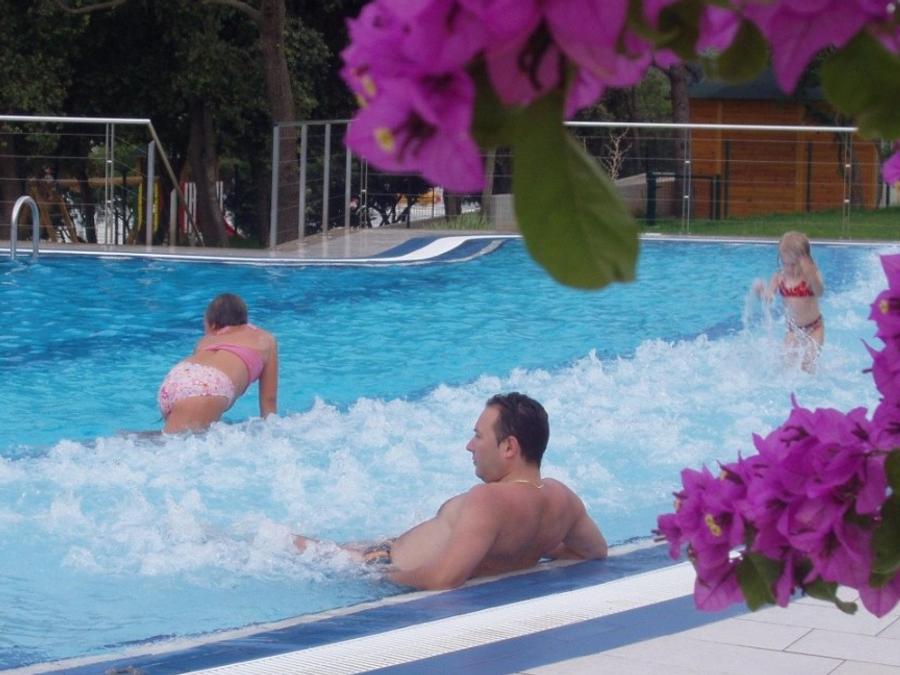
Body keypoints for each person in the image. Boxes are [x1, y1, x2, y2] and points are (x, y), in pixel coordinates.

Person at [293, 392, 608, 590]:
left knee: (289, 543)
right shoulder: (562, 498)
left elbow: (443, 578)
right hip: (388, 552)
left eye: (478, 436)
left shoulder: (488, 499)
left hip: (381, 561)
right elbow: (594, 551)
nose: (470, 446)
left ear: (509, 447)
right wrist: (534, 548)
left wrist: (378, 576)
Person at [157, 293, 278, 433]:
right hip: (208, 385)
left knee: (169, 439)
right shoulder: (266, 339)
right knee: (176, 442)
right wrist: (272, 431)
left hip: (178, 376)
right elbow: (269, 399)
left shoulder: (204, 341)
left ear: (213, 325)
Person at [754, 231, 825, 371]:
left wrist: (811, 275)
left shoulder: (811, 275)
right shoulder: (779, 278)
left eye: (794, 264)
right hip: (793, 330)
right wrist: (761, 293)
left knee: (807, 365)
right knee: (787, 366)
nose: (789, 268)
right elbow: (769, 298)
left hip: (815, 328)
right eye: (785, 264)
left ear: (805, 260)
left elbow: (820, 292)